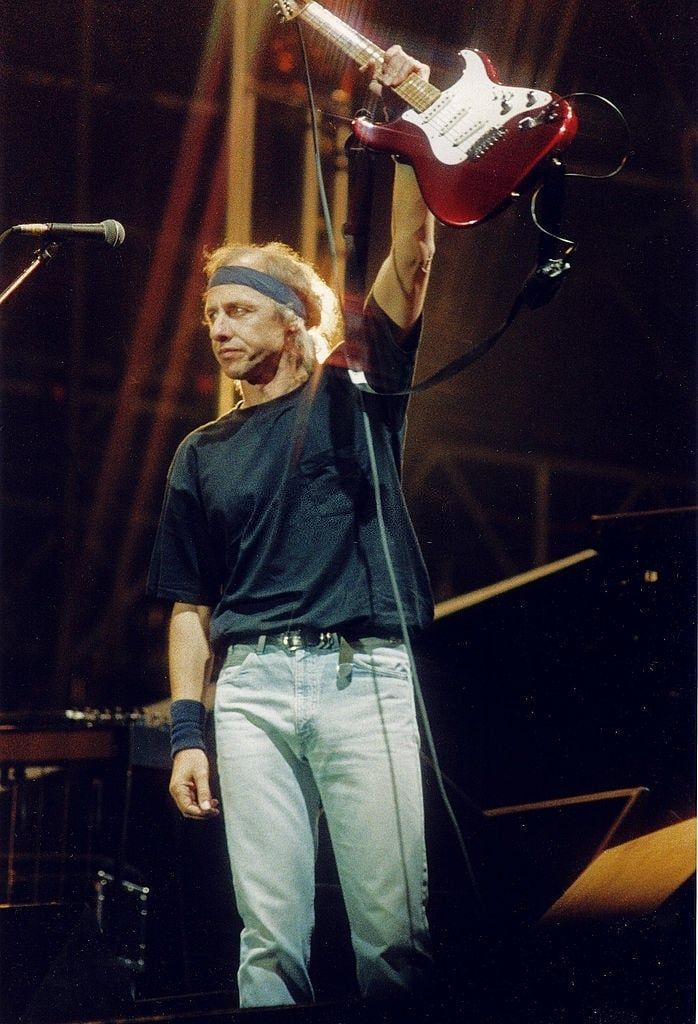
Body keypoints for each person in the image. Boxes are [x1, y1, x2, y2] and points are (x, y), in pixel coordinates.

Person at [147, 45, 437, 1009]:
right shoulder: (203, 451)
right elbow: (187, 608)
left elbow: (413, 262)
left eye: (237, 310)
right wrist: (191, 730)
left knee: (392, 939)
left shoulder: (357, 390)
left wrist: (410, 140)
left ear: (287, 320)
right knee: (268, 949)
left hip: (364, 678)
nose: (219, 328)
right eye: (209, 316)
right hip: (256, 694)